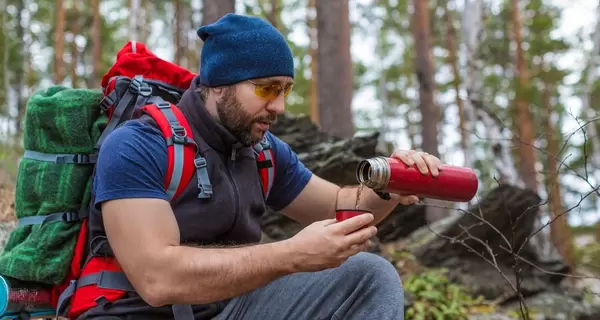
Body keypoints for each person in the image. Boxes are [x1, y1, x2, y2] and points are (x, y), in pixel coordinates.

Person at [85, 13, 443, 320]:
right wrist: (291, 255)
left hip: (230, 309)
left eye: (285, 89)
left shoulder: (262, 151)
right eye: (267, 89)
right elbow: (157, 279)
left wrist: (389, 185)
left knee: (371, 275)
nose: (279, 107)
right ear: (220, 85)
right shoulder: (137, 145)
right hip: (136, 312)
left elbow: (343, 208)